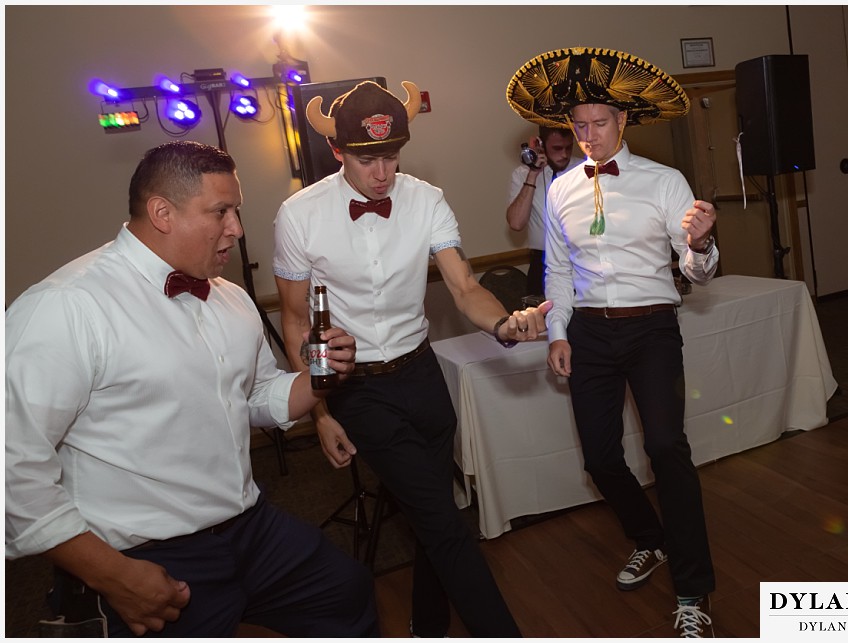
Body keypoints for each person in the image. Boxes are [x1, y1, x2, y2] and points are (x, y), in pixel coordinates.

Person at [4, 141, 379, 638]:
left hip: (249, 527)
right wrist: (111, 574)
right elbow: (11, 465)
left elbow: (256, 398)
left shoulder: (232, 300)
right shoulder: (67, 307)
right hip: (145, 553)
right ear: (162, 212)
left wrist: (320, 377)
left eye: (237, 211)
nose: (237, 230)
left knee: (346, 592)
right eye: (221, 212)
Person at [273, 80, 548, 638]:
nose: (382, 172)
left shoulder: (426, 199)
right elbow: (297, 320)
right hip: (357, 388)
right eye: (367, 158)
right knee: (446, 523)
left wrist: (503, 322)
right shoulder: (299, 215)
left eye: (391, 156)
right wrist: (321, 411)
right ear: (337, 152)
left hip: (422, 375)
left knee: (431, 516)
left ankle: (428, 627)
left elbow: (465, 285)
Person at [506, 47, 719, 638]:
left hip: (652, 326)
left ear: (622, 123)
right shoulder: (559, 189)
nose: (588, 135)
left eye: (599, 123)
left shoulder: (665, 181)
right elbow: (558, 271)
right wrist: (556, 331)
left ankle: (694, 590)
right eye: (578, 126)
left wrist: (700, 244)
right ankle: (649, 540)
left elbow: (697, 272)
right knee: (600, 456)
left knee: (667, 446)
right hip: (588, 331)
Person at [505, 126, 577, 296]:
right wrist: (533, 175)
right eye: (557, 148)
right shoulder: (522, 174)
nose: (564, 154)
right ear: (541, 145)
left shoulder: (584, 169)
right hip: (542, 262)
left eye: (568, 147)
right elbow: (516, 223)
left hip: (579, 260)